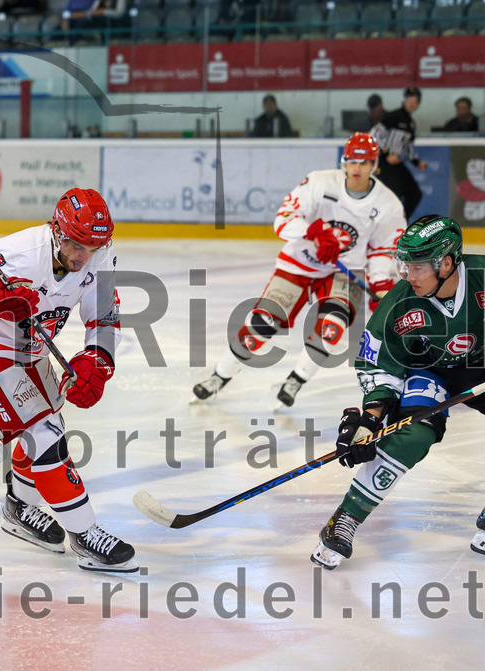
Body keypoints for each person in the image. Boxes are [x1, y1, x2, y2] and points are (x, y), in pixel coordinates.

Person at [0, 188, 137, 573]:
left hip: (31, 349)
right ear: (57, 231)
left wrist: (98, 360)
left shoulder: (99, 255)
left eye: (93, 247)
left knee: (49, 427)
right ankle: (85, 534)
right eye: (76, 245)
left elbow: (104, 317)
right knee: (44, 434)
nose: (83, 256)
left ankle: (19, 507)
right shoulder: (21, 254)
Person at [312, 215, 485, 569]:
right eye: (405, 265)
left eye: (417, 267)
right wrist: (370, 419)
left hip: (481, 365)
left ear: (446, 263)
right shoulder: (400, 302)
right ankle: (345, 518)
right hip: (428, 369)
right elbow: (378, 361)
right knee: (412, 435)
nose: (408, 275)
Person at [193, 133, 406, 407]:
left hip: (345, 271)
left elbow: (380, 251)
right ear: (343, 161)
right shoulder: (319, 182)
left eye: (364, 162)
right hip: (299, 263)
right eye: (352, 161)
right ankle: (220, 376)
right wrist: (313, 232)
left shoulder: (388, 204)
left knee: (331, 328)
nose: (357, 168)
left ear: (374, 164)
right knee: (262, 324)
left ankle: (296, 379)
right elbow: (283, 219)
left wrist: (380, 285)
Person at [372, 86, 428, 220]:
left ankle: (400, 222)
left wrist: (417, 163)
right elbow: (375, 135)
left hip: (396, 163)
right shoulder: (393, 116)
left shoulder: (411, 123)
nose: (412, 104)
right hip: (383, 162)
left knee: (414, 193)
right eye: (409, 100)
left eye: (415, 101)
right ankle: (384, 223)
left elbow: (408, 148)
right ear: (404, 100)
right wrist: (386, 154)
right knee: (393, 194)